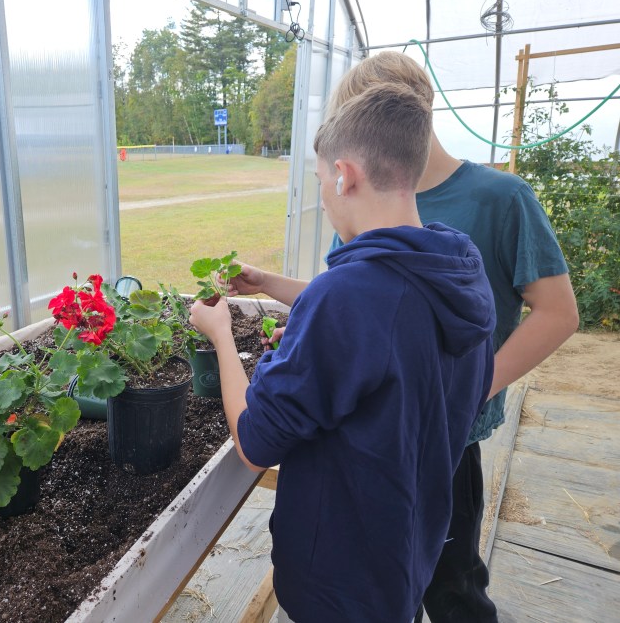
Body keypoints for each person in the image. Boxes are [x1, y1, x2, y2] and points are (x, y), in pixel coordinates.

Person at [189, 82, 497, 622]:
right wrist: (271, 283)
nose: (324, 197)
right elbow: (390, 315)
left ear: (344, 174)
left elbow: (256, 443)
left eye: (320, 182)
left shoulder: (350, 295)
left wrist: (219, 334)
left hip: (338, 579)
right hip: (407, 547)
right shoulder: (456, 265)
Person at [316, 52, 579, 623]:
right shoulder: (361, 199)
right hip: (372, 435)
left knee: (452, 586)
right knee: (382, 583)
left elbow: (557, 312)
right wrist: (273, 286)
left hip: (448, 443)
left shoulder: (499, 198)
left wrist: (476, 385)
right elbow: (346, 299)